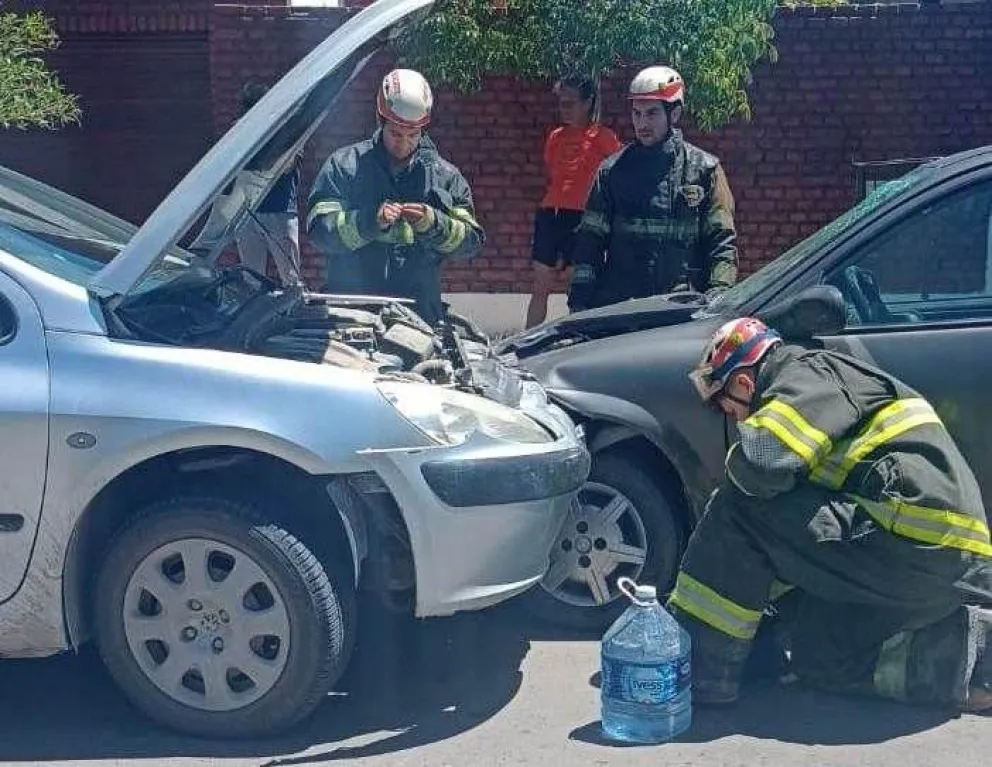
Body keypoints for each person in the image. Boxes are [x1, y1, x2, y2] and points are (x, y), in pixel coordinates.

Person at [668, 316, 992, 713]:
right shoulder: (828, 381)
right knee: (817, 656)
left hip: (911, 541)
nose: (737, 421)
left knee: (736, 507)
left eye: (730, 411)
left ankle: (697, 669)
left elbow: (763, 464)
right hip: (938, 560)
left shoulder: (805, 372)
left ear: (742, 383)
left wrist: (735, 464)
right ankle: (966, 655)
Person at [306, 68, 484, 327]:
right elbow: (320, 232)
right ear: (380, 120)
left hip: (420, 316)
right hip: (353, 314)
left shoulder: (445, 177)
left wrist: (434, 223)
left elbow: (471, 242)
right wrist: (369, 222)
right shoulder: (344, 166)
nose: (403, 144)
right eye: (396, 134)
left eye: (413, 135)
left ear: (424, 127)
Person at [567, 66, 738, 313]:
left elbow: (722, 244)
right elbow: (589, 244)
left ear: (675, 114)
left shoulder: (704, 170)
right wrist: (579, 304)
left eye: (652, 114)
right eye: (636, 114)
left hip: (683, 310)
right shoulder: (612, 172)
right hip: (621, 309)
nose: (642, 123)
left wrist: (718, 297)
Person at [524, 76, 621, 328]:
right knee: (541, 284)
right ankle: (525, 343)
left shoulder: (604, 137)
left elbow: (617, 173)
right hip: (550, 213)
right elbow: (553, 171)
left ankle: (574, 340)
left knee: (574, 282)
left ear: (588, 103)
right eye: (561, 103)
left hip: (582, 217)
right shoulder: (555, 136)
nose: (564, 109)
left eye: (570, 103)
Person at [234, 82, 303, 285]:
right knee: (251, 280)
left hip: (279, 210)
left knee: (290, 278)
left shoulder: (288, 132)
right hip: (247, 213)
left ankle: (296, 314)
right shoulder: (241, 134)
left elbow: (288, 165)